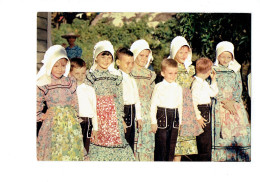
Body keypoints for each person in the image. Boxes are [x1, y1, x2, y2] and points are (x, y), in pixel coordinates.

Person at [85, 40, 135, 161]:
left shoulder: (115, 77)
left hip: (113, 119)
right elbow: (88, 99)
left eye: (109, 57)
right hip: (98, 118)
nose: (106, 60)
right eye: (103, 56)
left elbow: (118, 99)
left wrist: (121, 118)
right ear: (96, 57)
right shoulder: (90, 76)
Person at [37, 45, 85, 161]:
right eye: (56, 66)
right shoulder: (45, 82)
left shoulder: (69, 81)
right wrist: (40, 115)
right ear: (49, 65)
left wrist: (76, 115)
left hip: (70, 122)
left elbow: (74, 99)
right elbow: (37, 100)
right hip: (53, 122)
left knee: (70, 148)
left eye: (63, 66)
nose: (60, 69)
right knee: (55, 148)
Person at [212, 41, 251, 161]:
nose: (225, 59)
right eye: (222, 56)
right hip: (220, 104)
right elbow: (212, 87)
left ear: (232, 57)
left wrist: (232, 101)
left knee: (238, 133)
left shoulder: (236, 69)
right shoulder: (213, 70)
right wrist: (224, 101)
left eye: (228, 57)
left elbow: (239, 87)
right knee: (223, 135)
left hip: (235, 105)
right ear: (217, 56)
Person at [169, 36, 203, 161]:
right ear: (174, 51)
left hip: (188, 107)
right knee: (175, 145)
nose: (183, 55)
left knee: (183, 146)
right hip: (176, 105)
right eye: (180, 52)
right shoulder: (171, 66)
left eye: (186, 52)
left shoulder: (190, 68)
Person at [150, 58, 182, 161]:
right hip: (162, 117)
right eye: (170, 73)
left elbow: (180, 105)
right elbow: (153, 104)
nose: (173, 76)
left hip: (174, 118)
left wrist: (180, 122)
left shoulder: (178, 87)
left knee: (171, 147)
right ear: (163, 73)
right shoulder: (159, 87)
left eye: (175, 73)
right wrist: (153, 122)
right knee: (161, 147)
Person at [130, 39, 156, 161]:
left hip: (148, 113)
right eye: (141, 55)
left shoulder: (150, 74)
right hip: (133, 111)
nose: (144, 58)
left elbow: (154, 96)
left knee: (147, 146)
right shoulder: (128, 73)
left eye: (146, 56)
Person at [115, 48, 143, 152]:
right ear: (118, 62)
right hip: (123, 112)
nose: (130, 66)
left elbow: (136, 99)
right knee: (122, 142)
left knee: (130, 142)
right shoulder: (117, 78)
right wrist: (120, 119)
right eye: (127, 63)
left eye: (132, 63)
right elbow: (116, 101)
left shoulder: (132, 79)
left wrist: (138, 117)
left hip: (132, 111)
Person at [191, 57, 218, 161]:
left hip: (207, 110)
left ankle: (206, 159)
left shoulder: (204, 82)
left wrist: (213, 80)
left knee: (207, 140)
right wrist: (198, 117)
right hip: (201, 111)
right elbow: (193, 101)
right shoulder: (196, 84)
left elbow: (213, 93)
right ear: (208, 71)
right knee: (203, 141)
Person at [69, 58, 98, 153]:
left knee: (85, 149)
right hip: (74, 122)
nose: (80, 76)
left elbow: (94, 109)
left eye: (83, 73)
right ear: (70, 73)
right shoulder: (68, 90)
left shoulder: (90, 89)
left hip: (88, 122)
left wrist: (95, 128)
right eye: (77, 74)